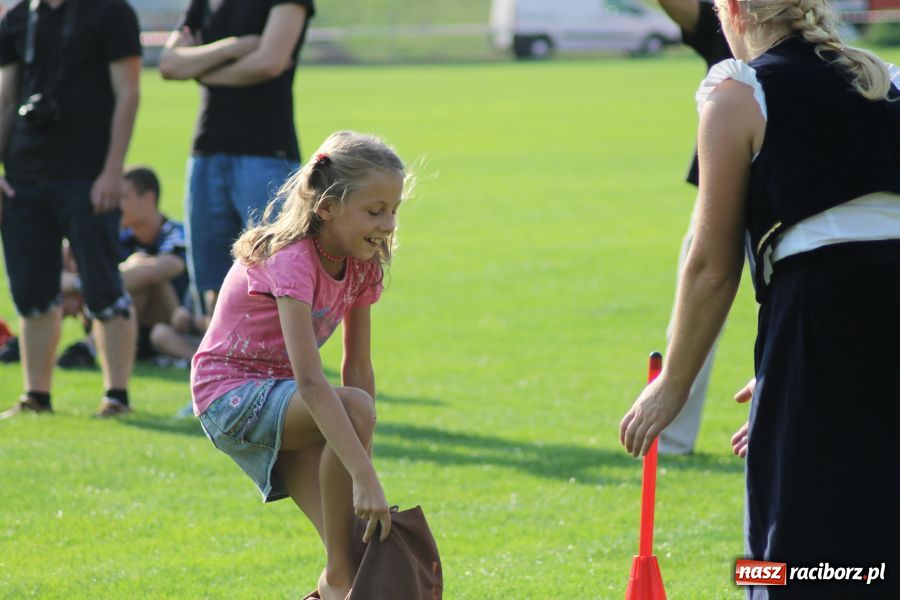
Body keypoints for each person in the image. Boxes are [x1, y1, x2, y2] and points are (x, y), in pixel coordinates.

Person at [620, 0, 900, 593]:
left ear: (735, 11)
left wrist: (674, 384)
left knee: (787, 551)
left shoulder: (737, 90)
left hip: (816, 318)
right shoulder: (888, 77)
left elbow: (710, 267)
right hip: (837, 325)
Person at [192, 132, 405, 600]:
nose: (388, 223)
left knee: (350, 557)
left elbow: (359, 371)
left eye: (394, 209)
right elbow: (312, 380)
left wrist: (360, 466)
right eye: (375, 211)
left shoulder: (363, 261)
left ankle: (333, 587)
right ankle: (337, 581)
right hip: (230, 394)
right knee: (355, 411)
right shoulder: (291, 259)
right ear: (326, 206)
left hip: (286, 400)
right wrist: (366, 479)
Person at [0, 0, 141, 418]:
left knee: (102, 287)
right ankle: (36, 396)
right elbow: (7, 98)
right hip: (24, 174)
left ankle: (116, 396)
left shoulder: (110, 12)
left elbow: (128, 94)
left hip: (89, 174)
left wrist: (113, 172)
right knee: (31, 292)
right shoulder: (17, 18)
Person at [158, 0, 315, 324]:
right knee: (212, 284)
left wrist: (201, 70)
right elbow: (170, 65)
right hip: (206, 153)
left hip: (267, 155)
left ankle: (278, 371)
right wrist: (233, 47)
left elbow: (269, 62)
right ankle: (223, 369)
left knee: (278, 279)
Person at [656, 0, 733, 455]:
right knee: (692, 312)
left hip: (791, 197)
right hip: (719, 192)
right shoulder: (730, 23)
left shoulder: (821, 45)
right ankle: (671, 438)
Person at [57, 166, 190, 368]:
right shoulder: (119, 235)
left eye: (124, 197)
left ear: (148, 199)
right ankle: (26, 340)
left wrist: (82, 284)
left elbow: (161, 269)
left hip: (167, 325)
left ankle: (89, 347)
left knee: (142, 268)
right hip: (119, 322)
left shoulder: (175, 233)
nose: (117, 205)